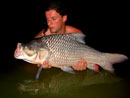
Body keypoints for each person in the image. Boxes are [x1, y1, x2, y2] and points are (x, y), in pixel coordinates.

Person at [35, 1, 87, 71]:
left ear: (64, 18)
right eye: (47, 19)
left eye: (53, 19)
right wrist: (39, 65)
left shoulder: (76, 33)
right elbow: (35, 62)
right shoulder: (40, 39)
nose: (49, 23)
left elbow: (84, 54)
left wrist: (81, 65)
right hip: (51, 72)